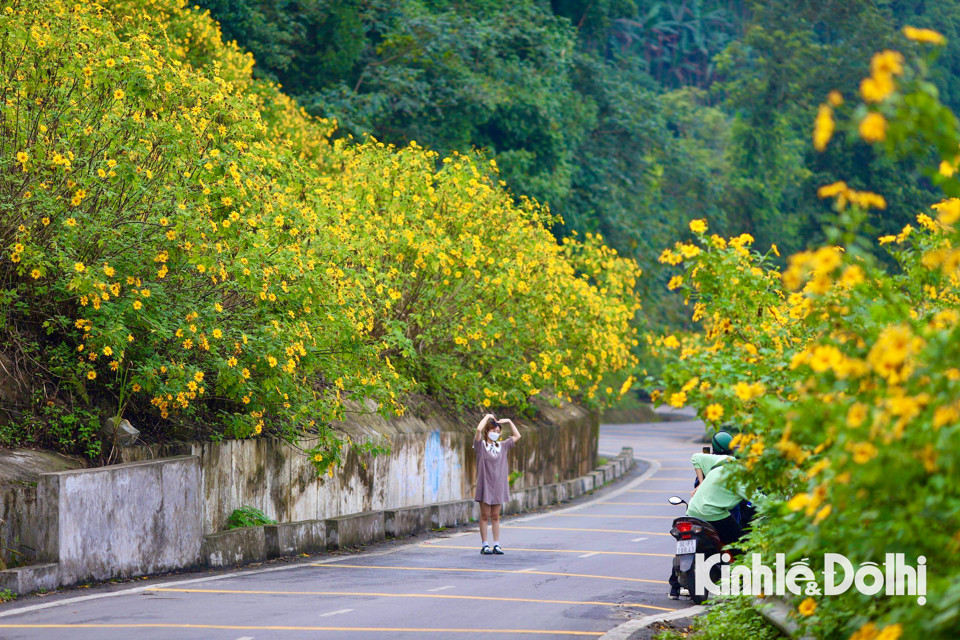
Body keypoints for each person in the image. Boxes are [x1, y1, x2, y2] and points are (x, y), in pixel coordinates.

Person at [473, 413, 521, 555]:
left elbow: (517, 436)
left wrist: (509, 420)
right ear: (487, 431)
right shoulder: (480, 446)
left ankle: (497, 544)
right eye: (493, 431)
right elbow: (477, 430)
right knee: (484, 515)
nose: (496, 434)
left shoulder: (502, 446)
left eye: (498, 432)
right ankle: (485, 544)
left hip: (499, 486)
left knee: (495, 516)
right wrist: (487, 416)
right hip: (485, 485)